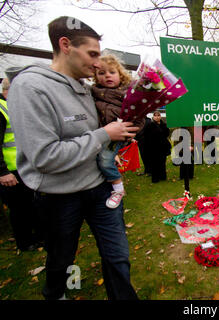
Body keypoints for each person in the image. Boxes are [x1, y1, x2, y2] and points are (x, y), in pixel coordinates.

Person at [7, 16, 139, 300]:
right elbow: (45, 157)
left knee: (118, 258)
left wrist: (118, 139)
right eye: (92, 54)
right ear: (65, 45)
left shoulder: (86, 88)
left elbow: (96, 133)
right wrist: (104, 135)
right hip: (59, 196)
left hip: (100, 188)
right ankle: (56, 294)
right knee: (61, 260)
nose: (97, 64)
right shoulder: (31, 87)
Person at [91, 54, 144, 208]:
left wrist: (130, 130)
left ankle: (118, 188)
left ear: (120, 75)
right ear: (95, 77)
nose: (107, 75)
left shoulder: (129, 93)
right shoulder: (92, 93)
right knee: (100, 159)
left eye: (112, 72)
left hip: (118, 136)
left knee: (104, 161)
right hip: (99, 134)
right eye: (101, 73)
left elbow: (139, 116)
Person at [0, 78, 43, 252]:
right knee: (19, 209)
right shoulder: (2, 109)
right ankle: (25, 242)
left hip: (25, 167)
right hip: (10, 171)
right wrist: (2, 171)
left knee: (32, 204)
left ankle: (38, 236)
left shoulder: (14, 106)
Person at [144, 111, 171, 183]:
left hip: (163, 146)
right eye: (155, 116)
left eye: (158, 115)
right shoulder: (150, 125)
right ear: (153, 117)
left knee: (162, 162)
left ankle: (162, 176)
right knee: (155, 163)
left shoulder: (164, 124)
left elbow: (167, 134)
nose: (157, 117)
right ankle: (155, 178)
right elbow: (146, 136)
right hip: (154, 147)